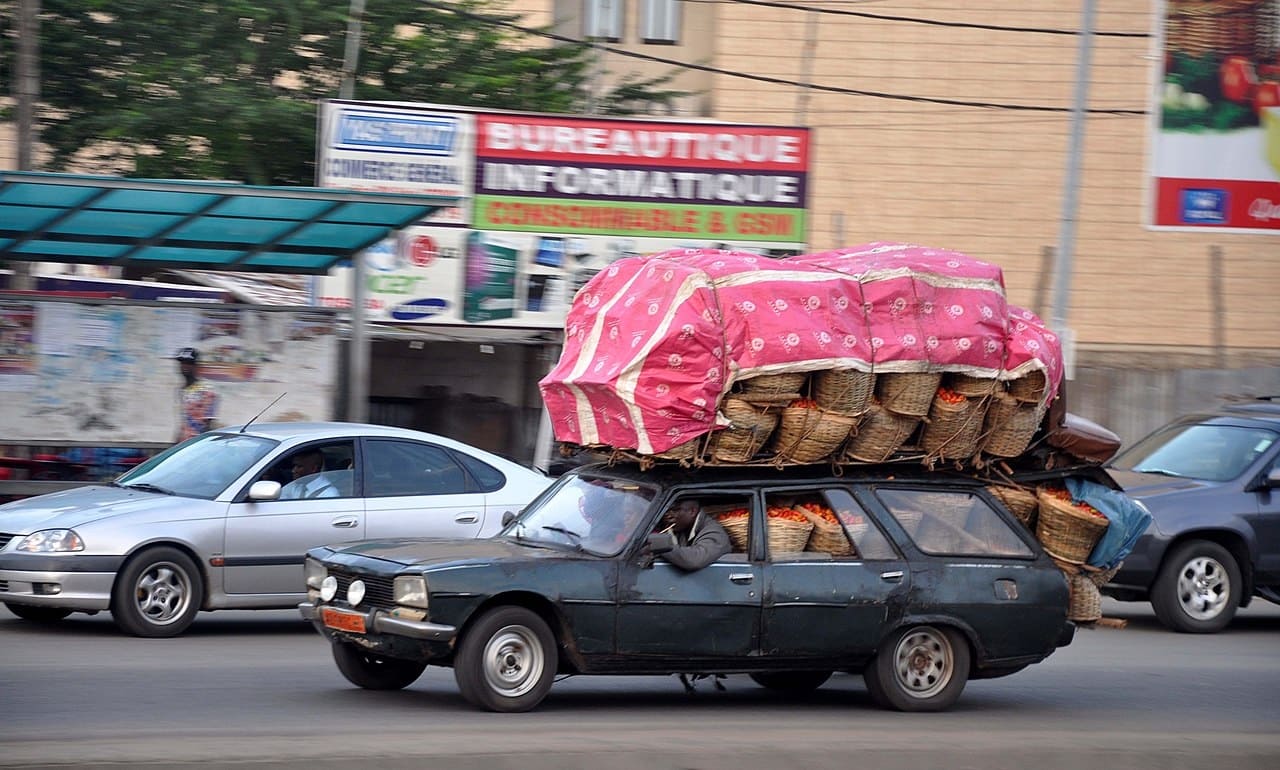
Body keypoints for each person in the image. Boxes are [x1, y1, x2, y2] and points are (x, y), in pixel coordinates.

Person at [647, 499, 731, 571]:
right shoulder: (680, 528)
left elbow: (695, 560)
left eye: (674, 510)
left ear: (692, 511)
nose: (668, 515)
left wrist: (660, 547)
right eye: (667, 511)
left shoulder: (715, 532)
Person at [174, 347, 219, 443]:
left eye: (189, 363)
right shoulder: (183, 390)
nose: (184, 366)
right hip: (183, 444)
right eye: (182, 363)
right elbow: (185, 421)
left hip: (196, 444)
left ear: (196, 366)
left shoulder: (206, 390)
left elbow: (208, 424)